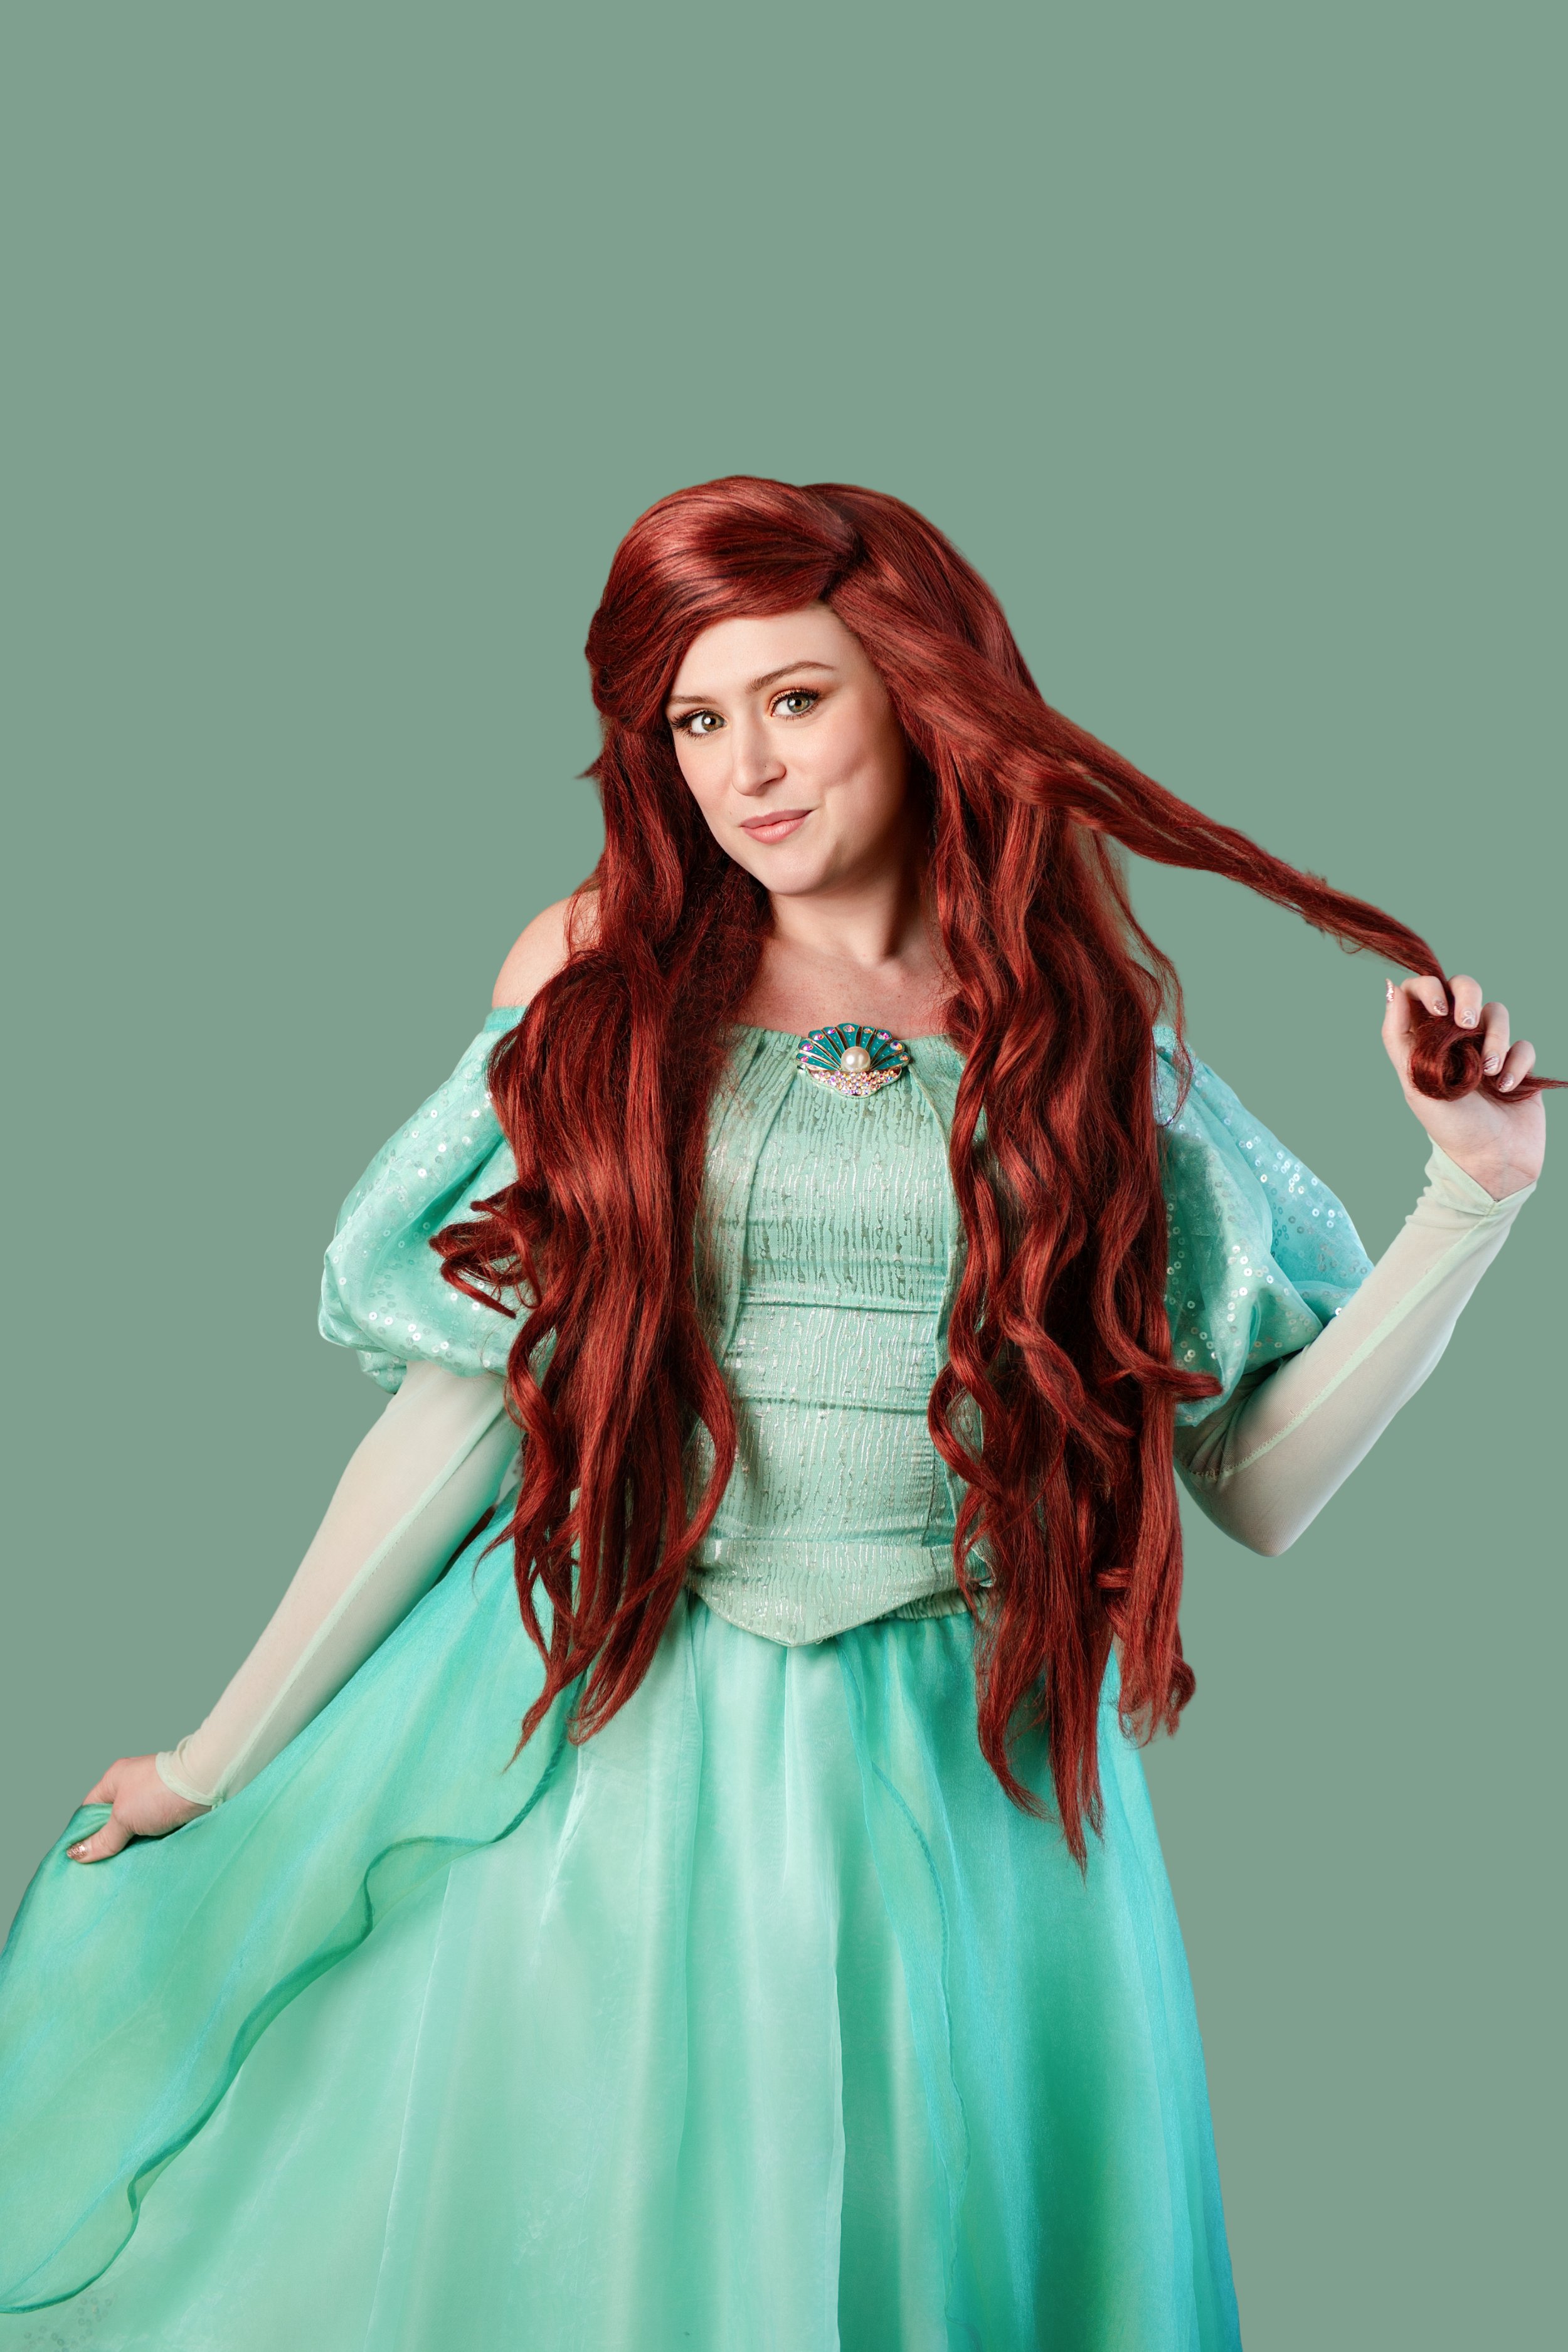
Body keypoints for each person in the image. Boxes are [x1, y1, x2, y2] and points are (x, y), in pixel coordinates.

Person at [0, 478, 1548, 2351]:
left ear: (918, 691)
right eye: (694, 719)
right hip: (633, 1746)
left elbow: (1258, 1488)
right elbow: (470, 1404)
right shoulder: (601, 975)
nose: (744, 769)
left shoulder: (1083, 1038)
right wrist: (217, 1758)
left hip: (986, 1777)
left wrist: (1472, 1199)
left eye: (795, 700)